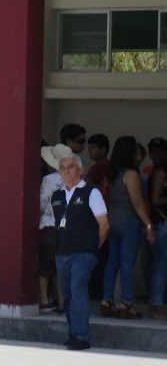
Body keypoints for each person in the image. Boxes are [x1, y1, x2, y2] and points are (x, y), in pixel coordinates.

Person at [46, 144, 109, 350]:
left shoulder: (91, 193)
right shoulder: (56, 196)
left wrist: (93, 249)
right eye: (62, 168)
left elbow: (104, 224)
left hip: (83, 253)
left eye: (71, 167)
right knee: (68, 295)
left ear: (80, 169)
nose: (66, 171)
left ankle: (82, 336)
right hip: (62, 252)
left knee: (78, 290)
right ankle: (74, 333)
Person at [101, 136, 156, 319]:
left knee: (112, 262)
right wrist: (148, 224)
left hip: (113, 220)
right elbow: (137, 201)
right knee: (127, 264)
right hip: (128, 222)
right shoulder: (131, 175)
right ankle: (126, 303)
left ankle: (106, 301)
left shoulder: (112, 172)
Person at [38, 148, 66, 312]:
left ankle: (43, 301)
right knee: (59, 267)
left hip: (48, 224)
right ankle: (61, 301)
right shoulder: (72, 178)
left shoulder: (50, 179)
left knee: (43, 266)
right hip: (65, 226)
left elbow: (42, 202)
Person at [148, 159, 167, 320]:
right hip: (162, 225)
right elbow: (155, 199)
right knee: (160, 266)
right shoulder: (161, 172)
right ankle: (157, 305)